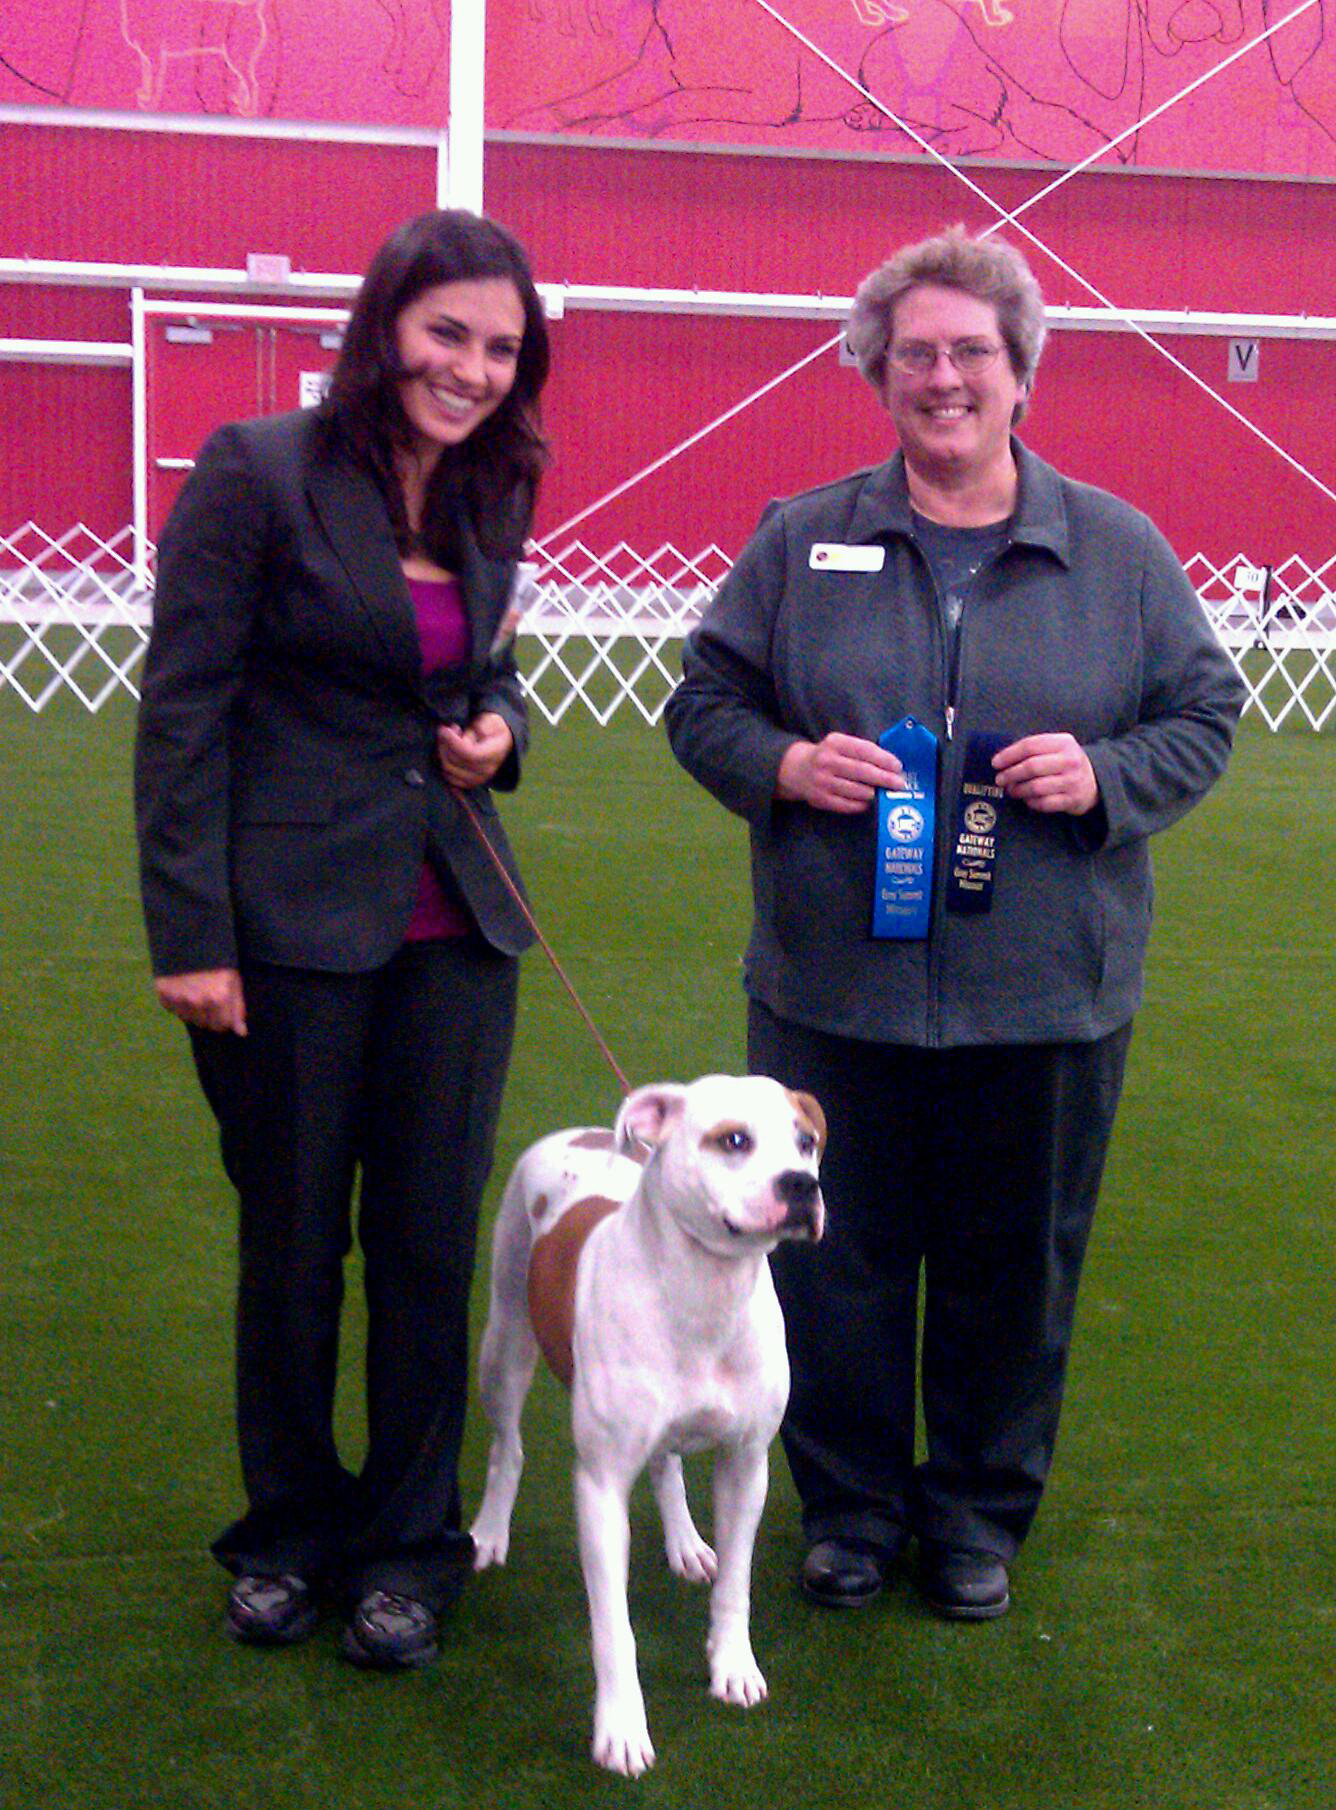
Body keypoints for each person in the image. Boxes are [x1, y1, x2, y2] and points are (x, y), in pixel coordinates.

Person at [665, 225, 1243, 1620]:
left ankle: (977, 1514)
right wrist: (789, 766)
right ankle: (850, 1514)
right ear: (877, 372)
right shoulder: (804, 539)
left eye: (971, 352)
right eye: (914, 352)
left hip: (1046, 998)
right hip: (832, 996)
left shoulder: (1116, 548)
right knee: (834, 1261)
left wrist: (1105, 776)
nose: (943, 377)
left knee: (1011, 1268)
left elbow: (1207, 712)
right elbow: (704, 706)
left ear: (1020, 373)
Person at [135, 209, 550, 1667]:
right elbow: (183, 709)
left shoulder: (504, 485)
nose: (474, 368)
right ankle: (287, 1533)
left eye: (501, 346)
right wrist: (192, 933)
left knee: (430, 1248)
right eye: (450, 333)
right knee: (295, 1243)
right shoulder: (257, 473)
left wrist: (499, 734)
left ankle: (408, 1548)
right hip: (287, 929)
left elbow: (481, 668)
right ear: (385, 326)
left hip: (455, 925)